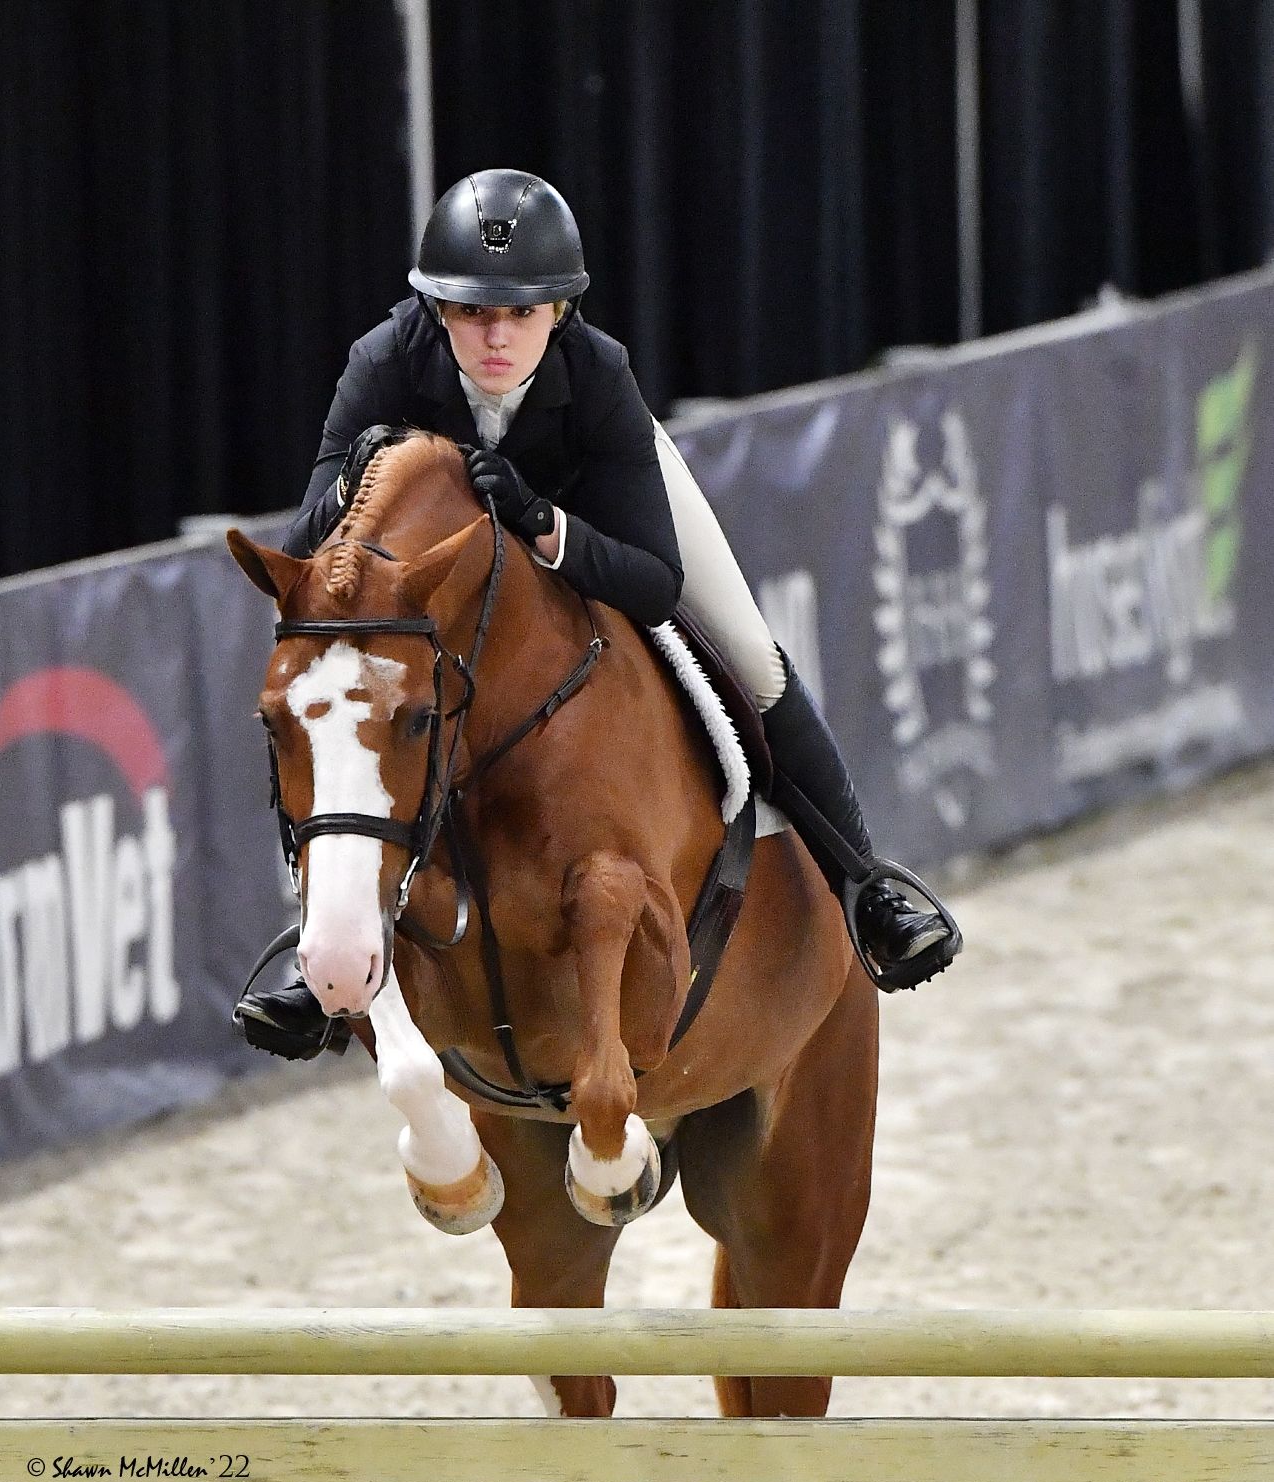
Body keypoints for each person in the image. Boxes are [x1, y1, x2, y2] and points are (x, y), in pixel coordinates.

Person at [240, 169, 959, 1058]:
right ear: (435, 310)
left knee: (749, 655)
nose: (496, 337)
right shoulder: (384, 363)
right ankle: (308, 957)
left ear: (562, 313)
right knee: (322, 695)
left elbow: (654, 581)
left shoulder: (599, 373)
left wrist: (548, 527)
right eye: (471, 314)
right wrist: (361, 473)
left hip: (593, 521)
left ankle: (868, 889)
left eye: (522, 313)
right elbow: (310, 541)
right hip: (441, 589)